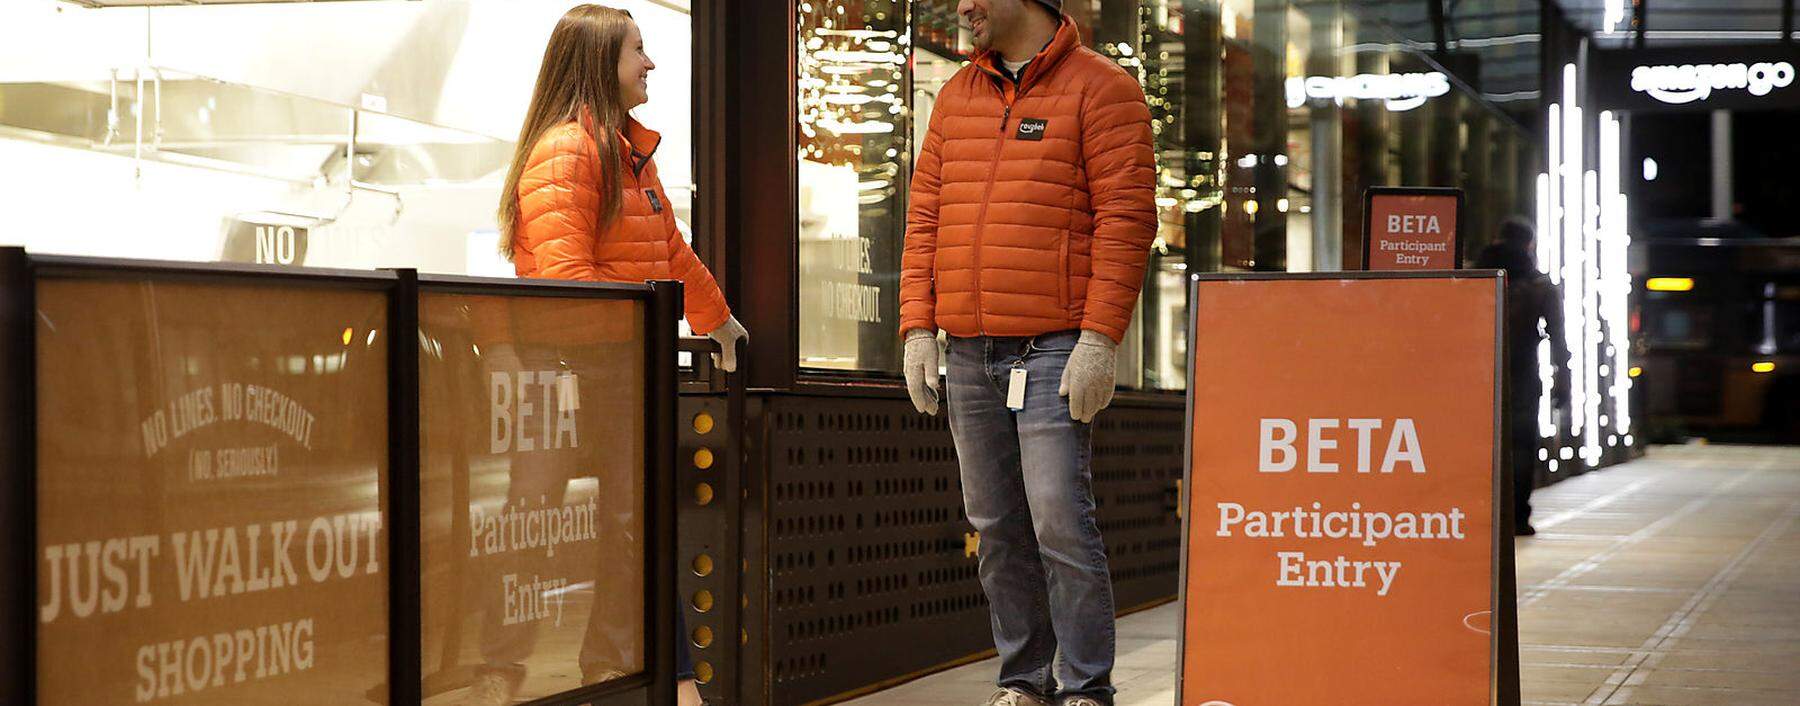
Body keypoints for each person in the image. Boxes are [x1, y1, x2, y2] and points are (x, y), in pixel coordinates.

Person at [474, 5, 739, 706]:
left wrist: (721, 322)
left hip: (616, 370)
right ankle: (505, 669)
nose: (649, 64)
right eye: (637, 50)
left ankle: (615, 673)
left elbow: (670, 255)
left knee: (630, 525)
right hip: (569, 373)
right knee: (538, 524)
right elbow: (565, 284)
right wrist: (648, 330)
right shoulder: (569, 150)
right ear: (599, 63)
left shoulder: (627, 151)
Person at [899, 1, 1156, 705]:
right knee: (996, 529)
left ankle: (1085, 689)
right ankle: (1023, 683)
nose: (962, 7)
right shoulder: (956, 96)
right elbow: (925, 216)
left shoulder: (1104, 88)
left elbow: (1127, 220)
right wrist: (918, 326)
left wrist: (1100, 340)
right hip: (970, 351)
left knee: (1059, 522)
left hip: (1054, 349)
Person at [1476, 217, 1570, 537]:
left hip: (1476, 372)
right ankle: (1516, 516)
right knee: (1520, 446)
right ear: (1530, 244)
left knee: (1477, 443)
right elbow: (1558, 337)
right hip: (1523, 374)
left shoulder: (1473, 274)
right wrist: (1564, 381)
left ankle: (1477, 512)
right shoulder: (1540, 285)